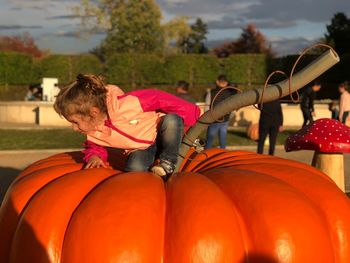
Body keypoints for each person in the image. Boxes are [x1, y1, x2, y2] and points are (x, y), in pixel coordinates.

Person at [54, 74, 200, 177]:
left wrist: (193, 116)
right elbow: (94, 147)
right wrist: (95, 157)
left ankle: (168, 162)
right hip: (141, 149)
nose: (74, 128)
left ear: (93, 112)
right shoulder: (95, 131)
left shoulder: (128, 103)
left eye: (75, 122)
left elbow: (160, 98)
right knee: (134, 170)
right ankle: (154, 181)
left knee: (172, 121)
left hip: (160, 132)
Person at [204, 74, 238, 149]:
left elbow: (207, 106)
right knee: (223, 140)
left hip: (213, 119)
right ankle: (223, 155)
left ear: (217, 81)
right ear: (226, 83)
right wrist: (229, 117)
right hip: (225, 119)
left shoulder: (211, 92)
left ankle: (205, 156)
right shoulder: (230, 93)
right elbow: (233, 109)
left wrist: (207, 119)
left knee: (209, 141)